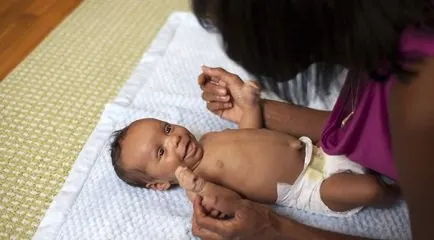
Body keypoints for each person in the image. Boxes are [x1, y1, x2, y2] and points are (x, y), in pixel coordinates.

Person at [183, 0, 434, 239]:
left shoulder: (418, 102)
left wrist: (273, 229)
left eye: (228, 32)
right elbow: (375, 128)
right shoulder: (395, 43)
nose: (231, 48)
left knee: (369, 190)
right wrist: (252, 109)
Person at [109, 79, 396, 219]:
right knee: (369, 190)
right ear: (159, 184)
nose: (173, 140)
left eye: (167, 128)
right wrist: (199, 186)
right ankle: (400, 194)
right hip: (312, 188)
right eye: (161, 152)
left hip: (320, 149)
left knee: (364, 127)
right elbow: (224, 204)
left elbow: (250, 134)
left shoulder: (209, 138)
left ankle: (403, 170)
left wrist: (249, 105)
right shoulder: (196, 186)